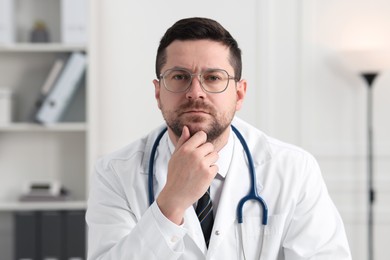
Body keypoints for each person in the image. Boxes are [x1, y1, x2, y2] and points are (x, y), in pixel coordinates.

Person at [86, 17, 352, 260]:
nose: (195, 92)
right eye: (179, 77)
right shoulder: (114, 173)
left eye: (213, 78)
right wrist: (171, 201)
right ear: (158, 93)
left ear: (239, 93)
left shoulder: (293, 169)